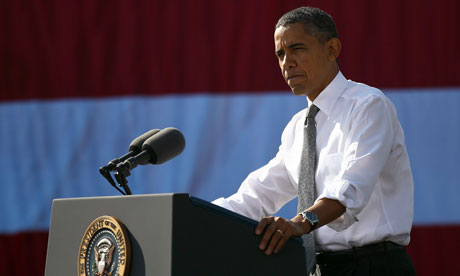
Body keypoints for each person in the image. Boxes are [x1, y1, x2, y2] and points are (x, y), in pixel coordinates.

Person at [212, 6, 416, 276]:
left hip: (374, 266)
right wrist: (189, 216)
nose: (287, 63)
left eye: (297, 49)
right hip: (318, 268)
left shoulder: (368, 105)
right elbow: (257, 195)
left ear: (332, 49)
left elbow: (352, 187)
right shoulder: (298, 127)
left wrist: (301, 222)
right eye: (280, 54)